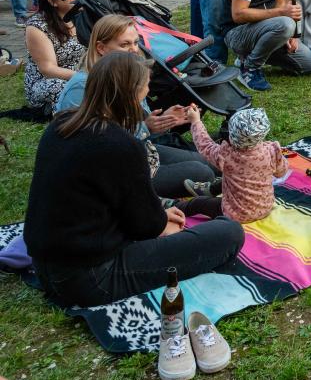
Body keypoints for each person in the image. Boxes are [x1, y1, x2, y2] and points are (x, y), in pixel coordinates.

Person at [25, 52, 244, 309]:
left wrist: (159, 217)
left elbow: (107, 202)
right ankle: (198, 210)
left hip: (45, 265)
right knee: (229, 233)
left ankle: (193, 207)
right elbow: (145, 226)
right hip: (92, 278)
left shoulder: (60, 125)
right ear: (131, 94)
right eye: (145, 87)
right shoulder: (119, 143)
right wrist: (161, 225)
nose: (147, 93)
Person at [53, 15, 217, 198]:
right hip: (112, 171)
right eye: (125, 44)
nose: (133, 50)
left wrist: (162, 121)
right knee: (202, 173)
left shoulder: (129, 72)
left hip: (139, 150)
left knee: (209, 162)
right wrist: (146, 128)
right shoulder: (82, 87)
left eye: (136, 42)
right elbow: (94, 146)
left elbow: (136, 125)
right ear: (101, 48)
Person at [185, 105, 288, 223]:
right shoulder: (271, 151)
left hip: (236, 214)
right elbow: (281, 172)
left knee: (199, 203)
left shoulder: (226, 156)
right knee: (233, 178)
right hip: (265, 208)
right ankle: (210, 190)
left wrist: (196, 121)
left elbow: (205, 145)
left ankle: (174, 207)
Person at [23, 0, 85, 117]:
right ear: (52, 1)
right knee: (63, 87)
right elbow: (48, 69)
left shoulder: (82, 15)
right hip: (49, 80)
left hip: (81, 74)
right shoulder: (37, 26)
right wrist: (86, 78)